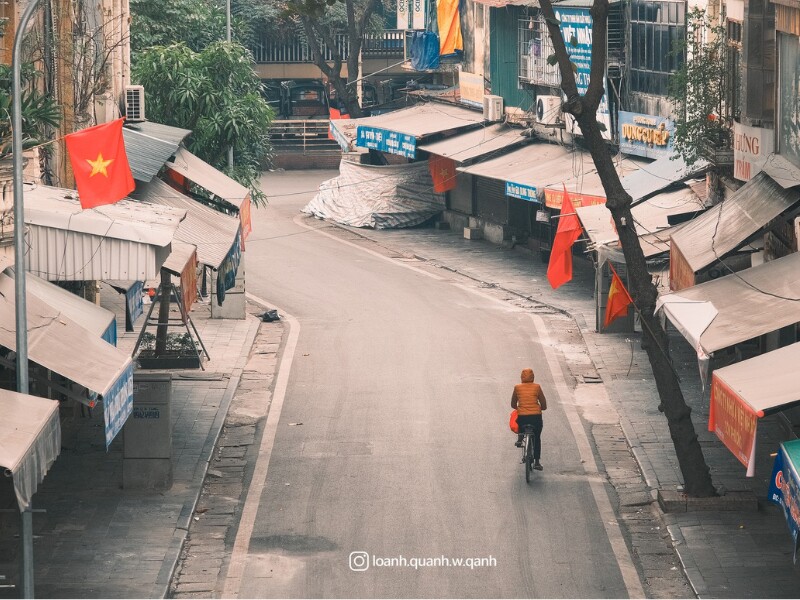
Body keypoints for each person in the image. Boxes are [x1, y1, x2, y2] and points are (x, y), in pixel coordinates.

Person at [511, 368, 547, 470]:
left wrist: (519, 408)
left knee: (520, 423)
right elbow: (543, 404)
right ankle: (536, 462)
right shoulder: (537, 387)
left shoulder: (517, 387)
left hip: (523, 418)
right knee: (537, 437)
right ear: (533, 377)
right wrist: (541, 408)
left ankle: (520, 438)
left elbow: (513, 404)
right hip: (536, 417)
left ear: (521, 377)